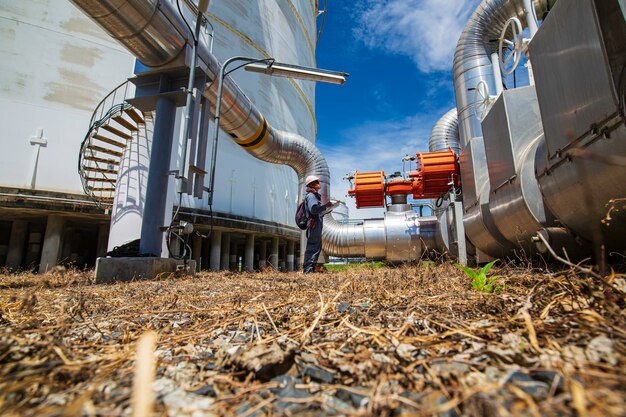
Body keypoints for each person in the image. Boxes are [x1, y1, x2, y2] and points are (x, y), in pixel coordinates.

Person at [303, 175, 332, 273]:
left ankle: (310, 269)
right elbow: (313, 209)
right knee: (313, 247)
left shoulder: (313, 195)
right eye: (316, 182)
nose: (319, 184)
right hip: (314, 225)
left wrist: (325, 211)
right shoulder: (311, 196)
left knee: (316, 247)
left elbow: (315, 211)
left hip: (315, 224)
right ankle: (308, 270)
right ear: (312, 184)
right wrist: (325, 206)